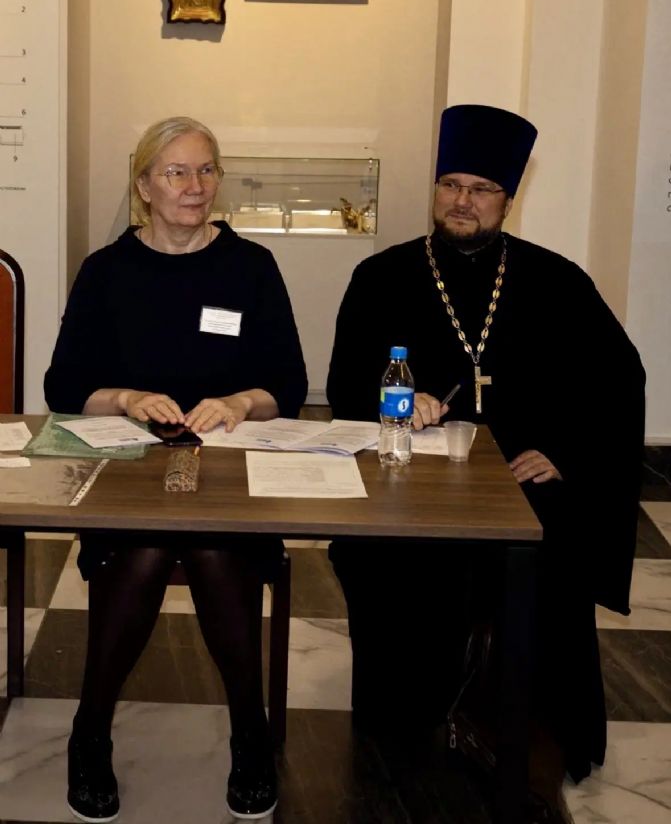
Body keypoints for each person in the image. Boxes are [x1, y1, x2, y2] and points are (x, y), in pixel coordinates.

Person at [327, 104, 645, 809]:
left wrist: (562, 451)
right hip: (410, 475)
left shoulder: (555, 280)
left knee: (542, 548)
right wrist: (397, 401)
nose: (461, 202)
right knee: (389, 556)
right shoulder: (381, 276)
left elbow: (619, 380)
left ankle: (525, 716)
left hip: (522, 475)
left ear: (508, 198)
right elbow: (345, 383)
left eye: (479, 189)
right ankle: (409, 718)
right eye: (450, 185)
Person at [45, 116, 307, 823]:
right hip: (132, 469)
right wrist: (126, 398)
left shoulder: (251, 267)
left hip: (228, 471)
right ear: (144, 186)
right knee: (143, 549)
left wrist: (239, 401)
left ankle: (250, 735)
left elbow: (288, 381)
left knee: (218, 551)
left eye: (206, 170)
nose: (195, 186)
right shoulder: (106, 271)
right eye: (176, 172)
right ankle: (90, 732)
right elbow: (63, 386)